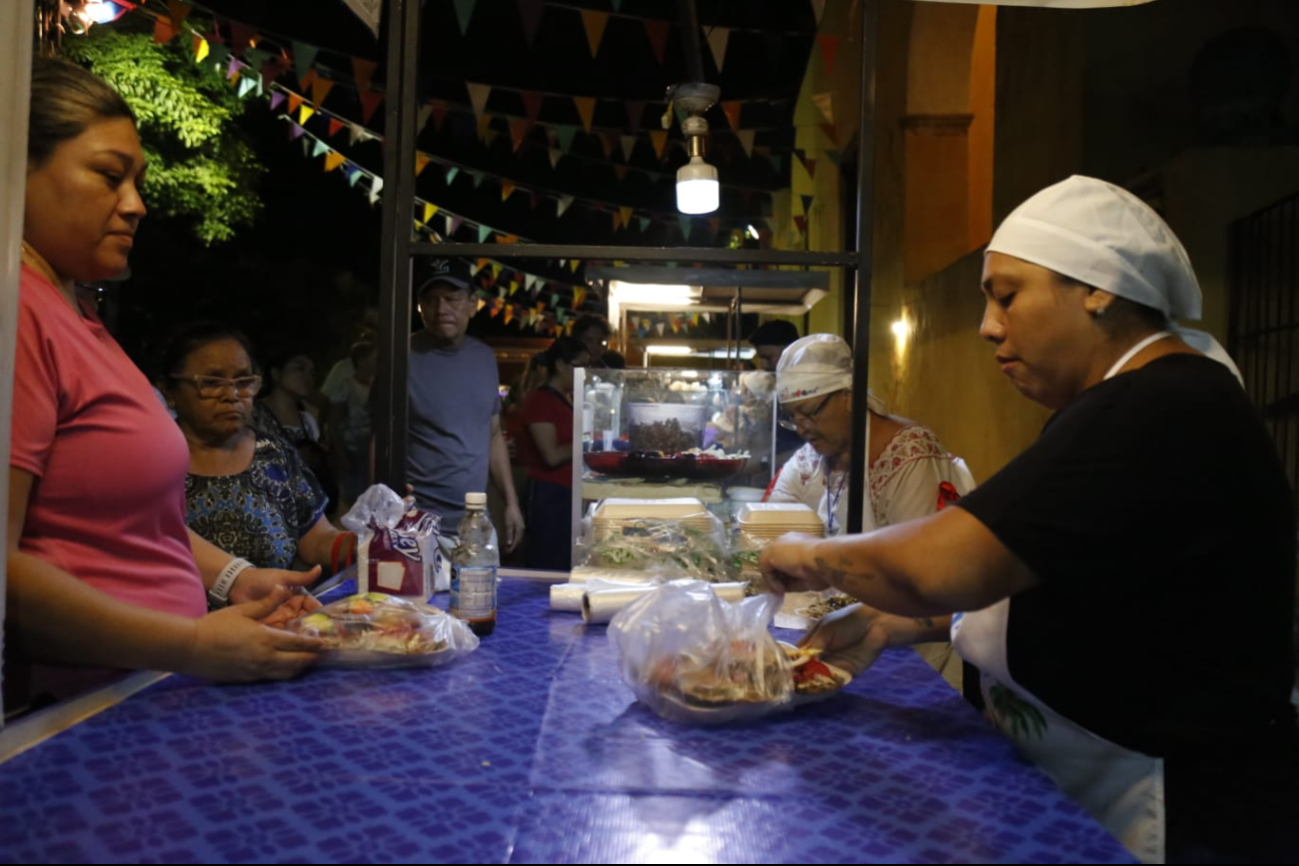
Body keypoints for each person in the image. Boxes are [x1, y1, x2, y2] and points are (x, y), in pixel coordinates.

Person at [760, 176, 1298, 863]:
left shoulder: (1156, 407)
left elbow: (944, 565)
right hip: (1100, 770)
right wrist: (880, 625)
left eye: (1006, 295)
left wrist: (801, 556)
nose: (987, 326)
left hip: (1172, 802)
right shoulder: (1135, 403)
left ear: (1096, 290)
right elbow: (1064, 574)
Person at [8, 59, 321, 708]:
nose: (135, 205)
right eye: (108, 176)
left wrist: (237, 579)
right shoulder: (17, 313)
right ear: (19, 168)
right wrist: (188, 644)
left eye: (138, 182)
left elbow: (134, 523)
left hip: (142, 691)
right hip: (74, 715)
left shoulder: (77, 315)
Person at [766, 333, 974, 686]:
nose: (802, 428)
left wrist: (818, 563)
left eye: (811, 412)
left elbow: (919, 569)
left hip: (911, 643)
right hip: (848, 628)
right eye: (792, 416)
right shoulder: (813, 458)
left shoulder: (908, 456)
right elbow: (774, 518)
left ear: (848, 396)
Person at [158, 323, 356, 576]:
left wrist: (371, 541)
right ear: (168, 390)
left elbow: (317, 541)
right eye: (211, 382)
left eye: (243, 382)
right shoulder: (155, 463)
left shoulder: (274, 454)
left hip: (276, 612)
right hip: (179, 616)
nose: (231, 395)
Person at [407, 258, 524, 553]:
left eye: (452, 298)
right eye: (431, 300)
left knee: (481, 598)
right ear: (419, 306)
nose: (441, 309)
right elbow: (378, 438)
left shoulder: (484, 357)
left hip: (474, 523)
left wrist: (511, 502)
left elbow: (493, 433)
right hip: (415, 527)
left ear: (473, 303)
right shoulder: (401, 355)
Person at [516, 337, 589, 570]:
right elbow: (551, 455)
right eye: (578, 366)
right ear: (560, 365)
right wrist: (586, 442)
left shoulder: (567, 399)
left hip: (568, 493)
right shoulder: (541, 400)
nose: (583, 374)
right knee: (547, 561)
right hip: (548, 495)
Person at [254, 347, 335, 508]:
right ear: (276, 374)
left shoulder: (308, 420)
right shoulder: (254, 414)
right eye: (299, 368)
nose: (308, 377)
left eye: (311, 373)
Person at [324, 339, 377, 512]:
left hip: (371, 447)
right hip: (351, 449)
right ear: (361, 360)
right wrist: (340, 454)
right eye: (373, 358)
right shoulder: (346, 386)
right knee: (353, 497)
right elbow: (334, 421)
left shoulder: (378, 385)